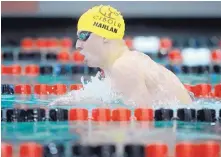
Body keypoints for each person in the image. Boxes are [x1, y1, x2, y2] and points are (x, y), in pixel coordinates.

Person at [49, 5, 192, 107]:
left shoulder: (124, 66)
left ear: (104, 35)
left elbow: (142, 123)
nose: (78, 45)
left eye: (83, 36)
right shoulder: (126, 63)